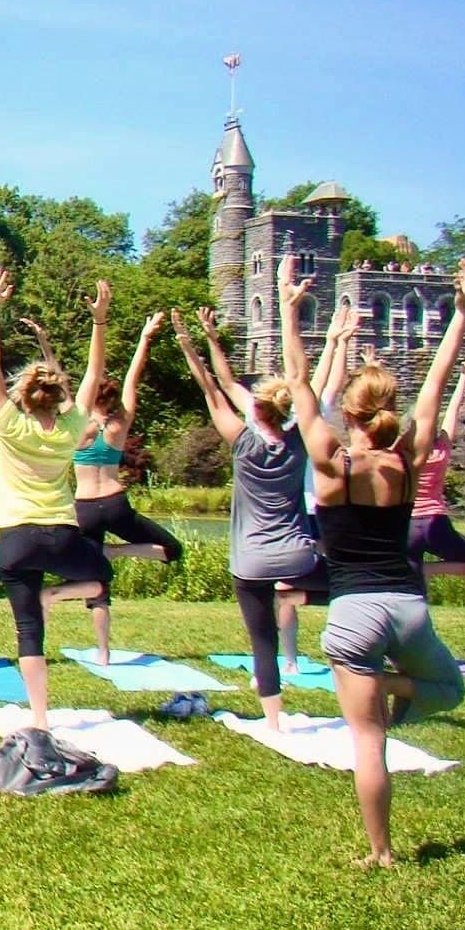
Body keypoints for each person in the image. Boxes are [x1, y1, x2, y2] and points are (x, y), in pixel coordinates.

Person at [282, 254, 465, 868]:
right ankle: (390, 683)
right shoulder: (408, 460)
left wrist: (290, 310)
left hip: (354, 613)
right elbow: (438, 385)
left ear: (353, 415)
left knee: (369, 739)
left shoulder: (331, 461)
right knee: (448, 690)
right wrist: (462, 309)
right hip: (409, 605)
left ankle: (381, 853)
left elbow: (301, 384)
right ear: (388, 409)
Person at [172, 308, 333, 730]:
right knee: (354, 588)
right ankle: (302, 598)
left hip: (251, 562)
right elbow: (305, 387)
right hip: (298, 558)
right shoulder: (299, 441)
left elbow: (216, 387)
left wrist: (198, 342)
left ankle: (274, 721)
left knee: (263, 641)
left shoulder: (243, 442)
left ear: (256, 412)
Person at [0, 268, 112, 730]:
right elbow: (95, 375)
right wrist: (99, 322)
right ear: (57, 398)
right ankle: (59, 592)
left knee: (28, 631)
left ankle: (39, 719)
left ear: (27, 397)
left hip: (14, 538)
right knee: (101, 579)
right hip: (59, 532)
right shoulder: (74, 429)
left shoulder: (10, 424)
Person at [198, 303, 351, 668]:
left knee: (287, 587)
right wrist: (335, 342)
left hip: (310, 510)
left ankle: (300, 654)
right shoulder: (301, 420)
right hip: (310, 510)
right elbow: (233, 383)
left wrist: (335, 342)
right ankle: (295, 656)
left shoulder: (303, 416)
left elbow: (226, 385)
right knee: (313, 583)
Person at [60, 311, 180, 662]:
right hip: (114, 502)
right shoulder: (119, 424)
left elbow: (65, 386)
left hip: (84, 508)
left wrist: (44, 343)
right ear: (111, 400)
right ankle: (119, 552)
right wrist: (144, 337)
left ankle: (103, 652)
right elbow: (133, 377)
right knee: (171, 549)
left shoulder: (78, 423)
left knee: (99, 586)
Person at [408, 352, 465, 580]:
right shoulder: (441, 448)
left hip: (408, 523)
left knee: (408, 573)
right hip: (436, 521)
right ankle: (423, 571)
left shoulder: (404, 453)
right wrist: (464, 376)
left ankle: (414, 572)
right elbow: (453, 410)